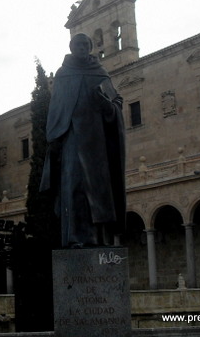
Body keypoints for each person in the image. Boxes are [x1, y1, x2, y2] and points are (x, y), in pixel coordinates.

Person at [40, 33, 126, 248]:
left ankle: (98, 237)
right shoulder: (63, 74)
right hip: (72, 139)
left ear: (90, 47)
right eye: (77, 44)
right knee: (75, 186)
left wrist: (106, 105)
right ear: (71, 46)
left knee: (98, 190)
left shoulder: (100, 73)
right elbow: (56, 109)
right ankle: (77, 238)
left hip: (97, 140)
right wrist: (54, 140)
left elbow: (116, 102)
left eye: (85, 45)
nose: (81, 48)